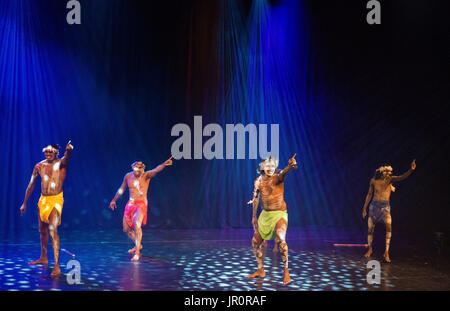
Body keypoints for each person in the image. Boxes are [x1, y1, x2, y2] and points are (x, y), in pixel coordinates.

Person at [20, 141, 74, 277]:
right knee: (42, 230)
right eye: (46, 151)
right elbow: (31, 184)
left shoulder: (61, 163)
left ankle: (56, 265)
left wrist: (68, 151)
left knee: (52, 230)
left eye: (51, 151)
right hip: (43, 200)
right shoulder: (39, 166)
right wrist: (24, 202)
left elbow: (66, 158)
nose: (48, 153)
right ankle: (43, 257)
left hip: (55, 200)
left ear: (56, 153)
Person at [110, 156, 173, 261]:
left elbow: (156, 170)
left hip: (141, 204)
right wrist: (114, 199)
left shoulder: (146, 175)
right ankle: (138, 244)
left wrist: (164, 164)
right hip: (130, 204)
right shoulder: (128, 176)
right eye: (136, 169)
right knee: (126, 229)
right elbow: (122, 189)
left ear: (142, 169)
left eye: (139, 169)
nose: (137, 171)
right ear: (133, 168)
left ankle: (137, 252)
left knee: (136, 223)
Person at [248, 154, 298, 285]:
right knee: (254, 243)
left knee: (281, 239)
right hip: (265, 215)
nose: (270, 168)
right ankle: (260, 270)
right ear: (262, 167)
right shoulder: (258, 181)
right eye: (267, 166)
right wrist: (254, 216)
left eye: (272, 166)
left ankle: (286, 271)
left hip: (280, 214)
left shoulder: (278, 177)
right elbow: (256, 199)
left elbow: (284, 172)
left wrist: (290, 166)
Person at [362, 160, 416, 262]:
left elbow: (401, 177)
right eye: (386, 173)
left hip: (385, 208)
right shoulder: (373, 181)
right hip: (374, 207)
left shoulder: (390, 180)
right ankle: (370, 249)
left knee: (389, 228)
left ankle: (386, 252)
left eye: (389, 173)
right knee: (370, 230)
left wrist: (411, 170)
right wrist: (364, 207)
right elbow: (369, 194)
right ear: (382, 173)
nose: (388, 174)